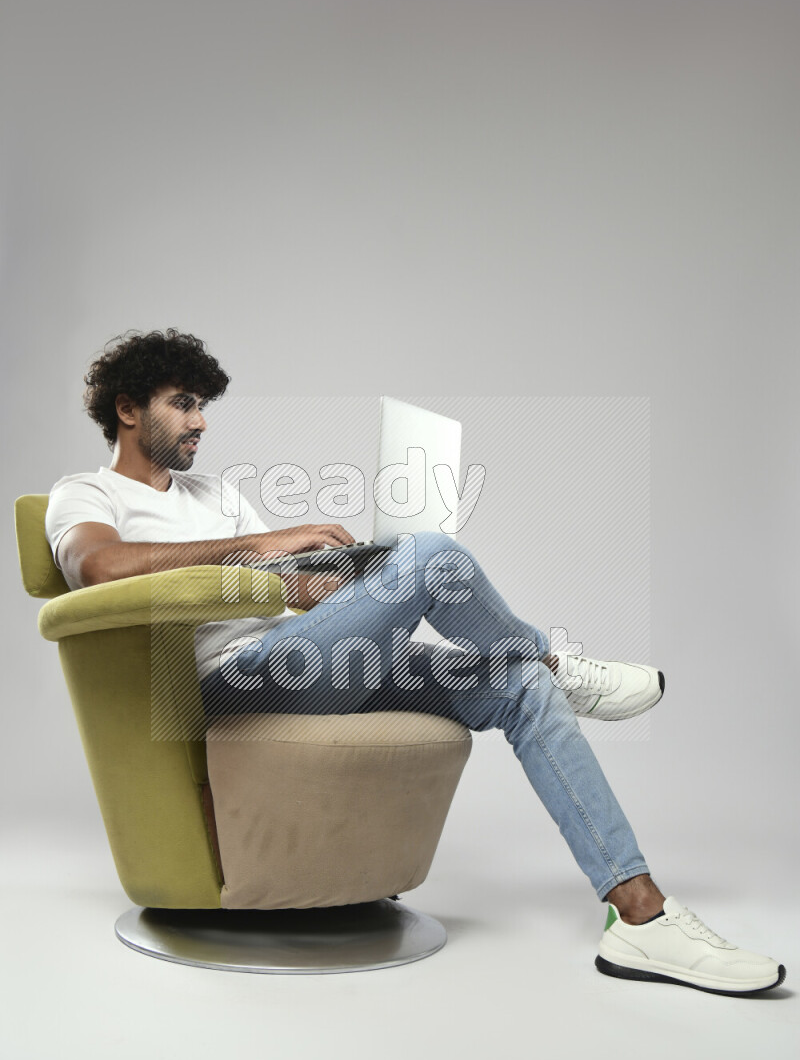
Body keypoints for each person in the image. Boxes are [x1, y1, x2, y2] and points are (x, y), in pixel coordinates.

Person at [45, 329, 785, 996]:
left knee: (513, 684)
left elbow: (270, 592)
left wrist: (344, 579)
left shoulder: (217, 494)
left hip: (299, 658)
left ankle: (641, 916)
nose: (201, 420)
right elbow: (99, 568)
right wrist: (267, 546)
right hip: (223, 685)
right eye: (184, 403)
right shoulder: (86, 494)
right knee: (431, 555)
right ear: (129, 410)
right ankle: (554, 659)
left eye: (203, 403)